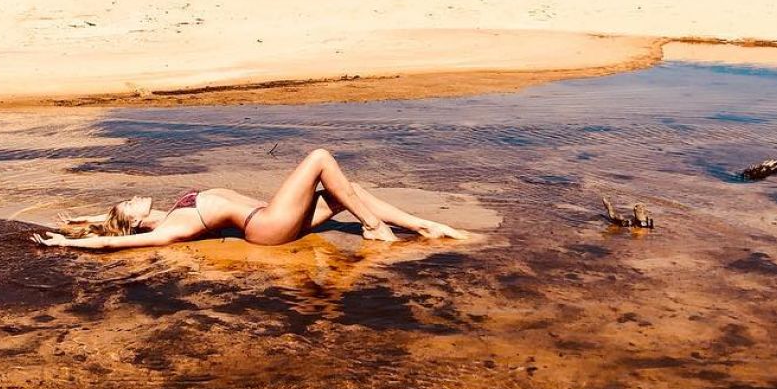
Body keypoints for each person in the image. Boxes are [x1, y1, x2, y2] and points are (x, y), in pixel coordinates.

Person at [31, 147, 466, 251]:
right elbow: (113, 240)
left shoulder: (162, 213)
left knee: (348, 194)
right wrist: (70, 245)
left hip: (269, 219)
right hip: (267, 226)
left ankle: (421, 226)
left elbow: (109, 223)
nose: (133, 196)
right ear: (133, 220)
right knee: (319, 158)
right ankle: (375, 228)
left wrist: (77, 220)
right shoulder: (169, 228)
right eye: (129, 203)